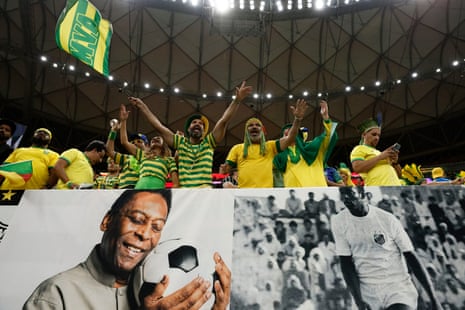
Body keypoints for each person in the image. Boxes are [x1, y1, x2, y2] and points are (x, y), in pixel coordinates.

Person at [23, 190, 231, 310]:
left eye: (156, 227)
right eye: (137, 220)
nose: (145, 234)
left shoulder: (170, 293)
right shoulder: (55, 295)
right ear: (107, 221)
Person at [331, 186, 442, 310]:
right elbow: (346, 264)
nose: (345, 198)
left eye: (350, 193)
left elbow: (411, 257)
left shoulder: (387, 219)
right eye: (342, 194)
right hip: (366, 290)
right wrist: (358, 300)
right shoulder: (338, 221)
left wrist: (434, 299)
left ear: (363, 195)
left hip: (396, 286)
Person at [128, 81, 252, 188]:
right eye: (194, 123)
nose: (197, 124)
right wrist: (142, 107)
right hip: (184, 193)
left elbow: (224, 120)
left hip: (204, 191)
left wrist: (237, 100)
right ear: (188, 129)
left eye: (201, 124)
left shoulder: (209, 142)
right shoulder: (180, 143)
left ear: (204, 131)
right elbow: (158, 126)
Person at [224, 98, 308, 188]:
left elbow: (290, 137)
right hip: (244, 195)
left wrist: (297, 119)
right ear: (246, 132)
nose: (254, 127)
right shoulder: (237, 148)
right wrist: (225, 169)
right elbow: (226, 169)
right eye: (250, 125)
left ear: (262, 131)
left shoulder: (271, 146)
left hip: (266, 194)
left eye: (257, 125)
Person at [273, 99, 338, 187]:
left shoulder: (313, 148)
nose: (288, 134)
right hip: (294, 196)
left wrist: (326, 118)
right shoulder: (278, 156)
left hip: (317, 195)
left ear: (298, 135)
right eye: (285, 133)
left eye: (291, 131)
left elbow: (329, 137)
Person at [119, 104, 179, 189]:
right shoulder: (143, 155)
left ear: (164, 145)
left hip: (157, 193)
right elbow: (124, 142)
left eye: (158, 138)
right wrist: (123, 121)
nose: (155, 138)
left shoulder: (169, 160)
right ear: (149, 145)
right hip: (138, 189)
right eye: (153, 139)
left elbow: (175, 183)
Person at [350, 118, 402, 186]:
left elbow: (399, 175)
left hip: (396, 188)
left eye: (378, 135)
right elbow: (357, 168)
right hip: (377, 189)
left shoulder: (380, 153)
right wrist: (380, 157)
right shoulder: (359, 149)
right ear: (364, 135)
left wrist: (395, 162)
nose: (377, 138)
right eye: (374, 134)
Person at [106, 117, 148, 189]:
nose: (135, 144)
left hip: (139, 192)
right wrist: (113, 131)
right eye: (132, 142)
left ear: (147, 146)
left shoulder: (149, 159)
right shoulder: (126, 158)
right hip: (123, 191)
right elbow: (109, 151)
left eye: (139, 141)